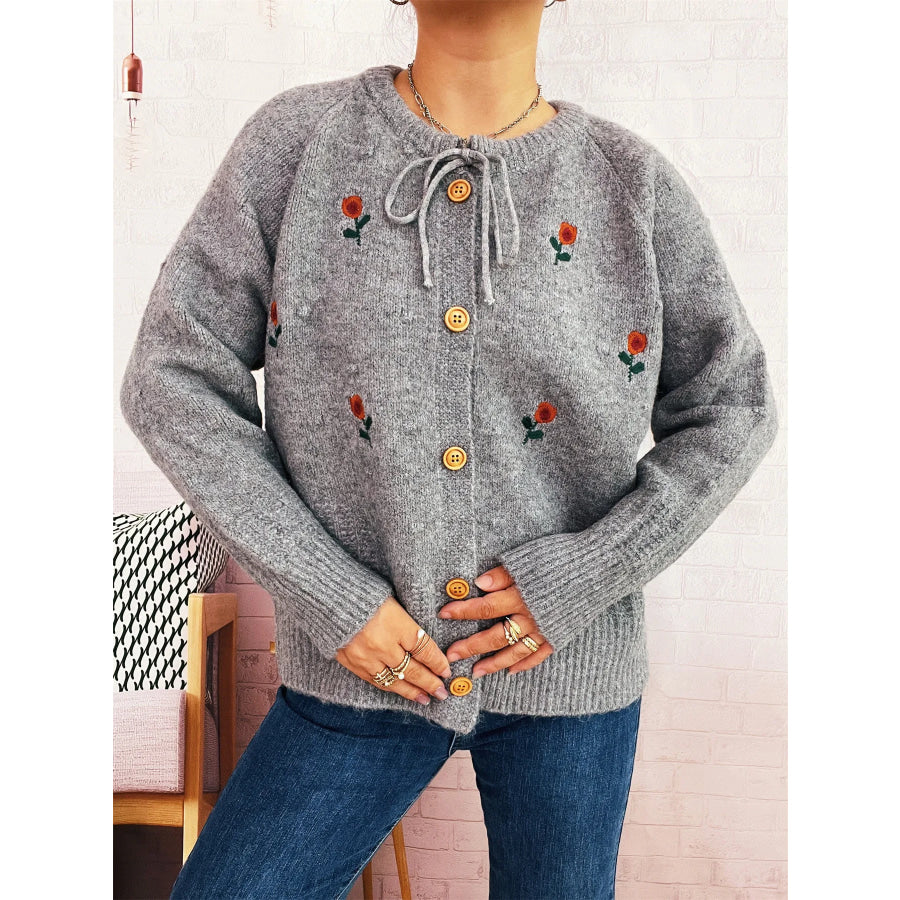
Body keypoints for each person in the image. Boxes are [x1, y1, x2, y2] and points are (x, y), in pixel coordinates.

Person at [119, 1, 778, 897]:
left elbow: (734, 405)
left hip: (570, 679)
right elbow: (171, 378)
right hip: (357, 672)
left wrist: (583, 577)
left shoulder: (631, 184)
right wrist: (334, 597)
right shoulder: (298, 147)